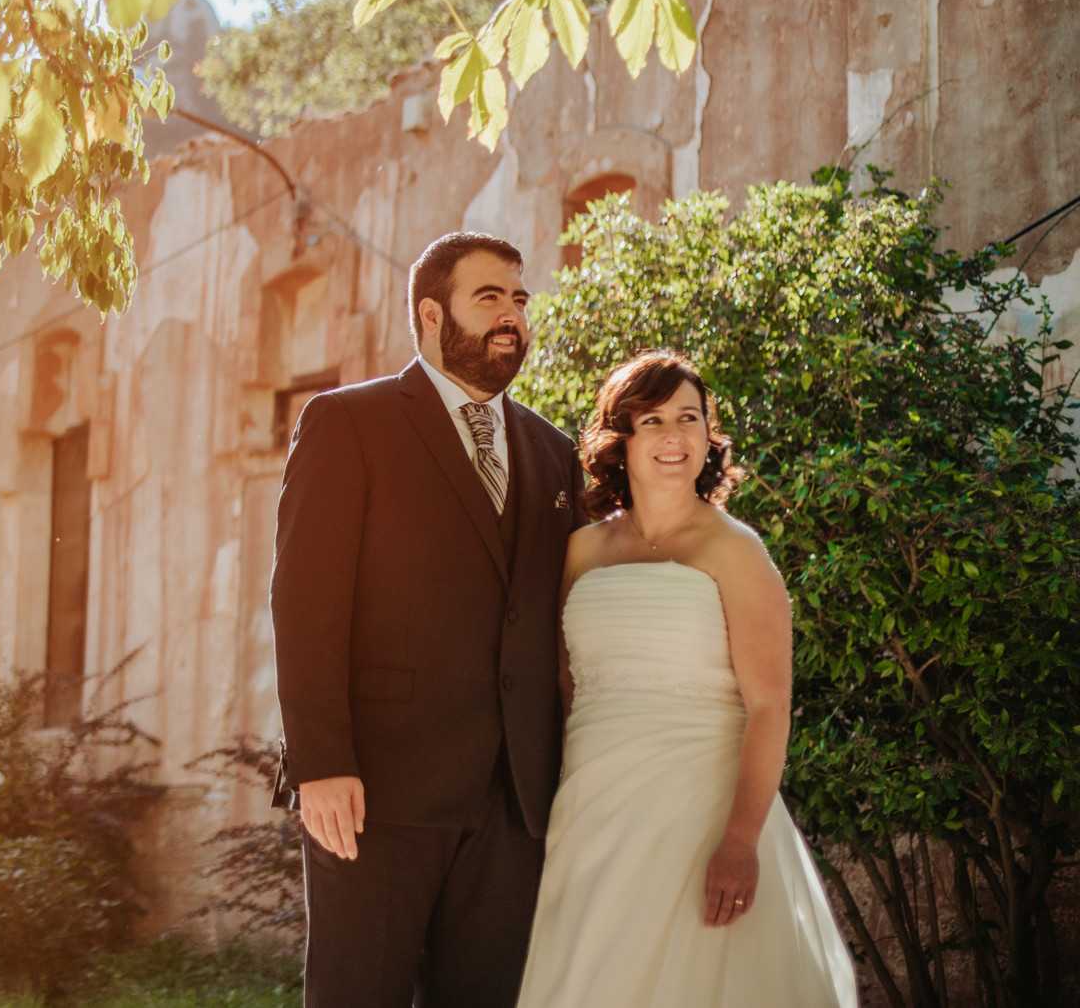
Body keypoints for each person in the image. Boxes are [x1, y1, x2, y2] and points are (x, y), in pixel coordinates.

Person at [270, 232, 588, 1008]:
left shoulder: (554, 451)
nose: (512, 316)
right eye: (490, 298)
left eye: (519, 299)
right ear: (431, 314)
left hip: (515, 798)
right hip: (378, 789)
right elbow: (305, 601)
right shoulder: (349, 422)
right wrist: (320, 761)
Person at [514, 350, 858, 1008]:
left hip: (703, 815)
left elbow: (770, 705)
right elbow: (566, 686)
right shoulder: (580, 550)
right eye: (653, 420)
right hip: (595, 815)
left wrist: (740, 840)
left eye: (689, 417)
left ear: (707, 434)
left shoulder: (736, 549)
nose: (673, 435)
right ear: (621, 439)